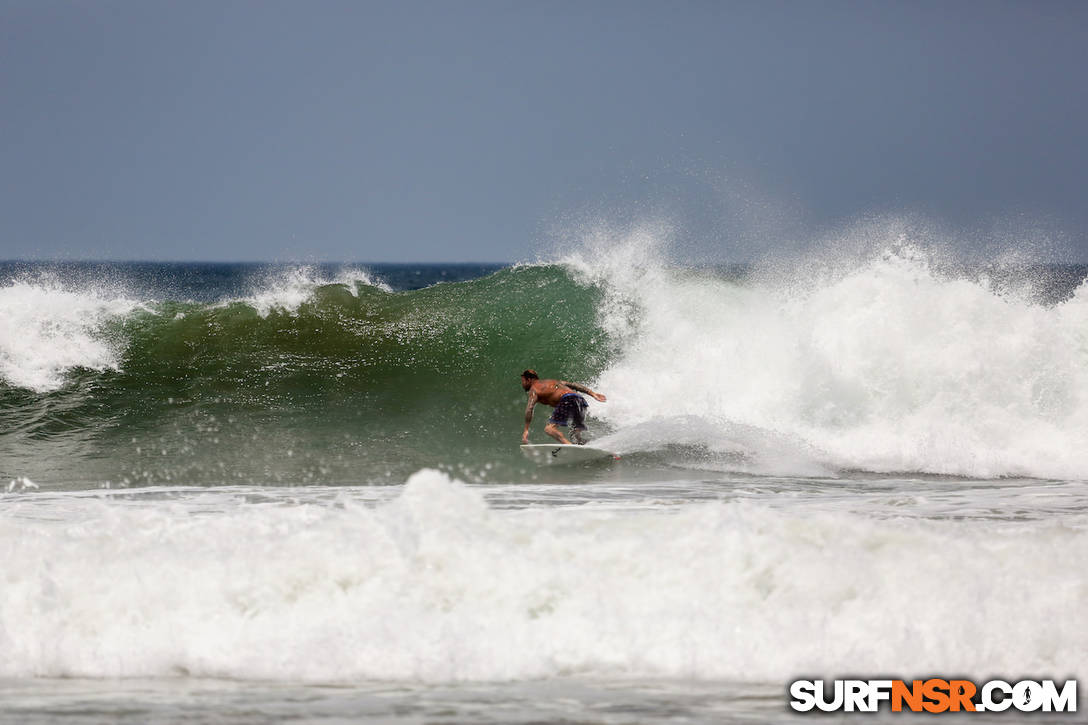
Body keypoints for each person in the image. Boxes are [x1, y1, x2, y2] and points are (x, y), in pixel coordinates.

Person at [520, 369, 606, 445]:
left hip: (567, 399)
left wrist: (526, 429)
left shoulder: (534, 389)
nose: (522, 384)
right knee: (575, 436)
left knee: (549, 429)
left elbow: (530, 408)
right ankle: (595, 446)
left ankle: (569, 446)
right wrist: (593, 394)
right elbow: (574, 385)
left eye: (523, 381)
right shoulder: (554, 381)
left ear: (529, 380)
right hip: (580, 401)